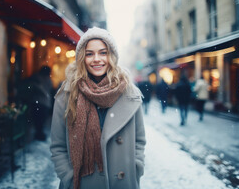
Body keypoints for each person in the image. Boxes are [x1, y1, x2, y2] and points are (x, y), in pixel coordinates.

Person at [50, 27, 146, 189]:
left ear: (112, 56)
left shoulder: (129, 93)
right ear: (82, 58)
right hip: (81, 183)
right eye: (89, 54)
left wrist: (136, 167)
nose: (96, 59)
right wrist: (68, 177)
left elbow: (139, 140)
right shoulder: (67, 94)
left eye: (103, 53)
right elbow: (57, 146)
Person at [17, 66, 54, 140]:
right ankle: (39, 134)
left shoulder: (38, 78)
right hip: (44, 103)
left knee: (38, 120)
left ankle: (39, 133)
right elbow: (49, 90)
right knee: (41, 120)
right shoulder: (45, 79)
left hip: (39, 102)